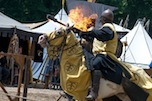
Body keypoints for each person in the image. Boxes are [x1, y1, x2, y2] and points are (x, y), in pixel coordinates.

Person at [81, 9, 131, 100]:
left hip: (106, 56)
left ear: (103, 19)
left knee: (96, 63)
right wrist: (84, 33)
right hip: (99, 54)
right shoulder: (103, 29)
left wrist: (91, 31)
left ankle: (94, 92)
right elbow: (95, 38)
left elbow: (101, 35)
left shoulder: (108, 28)